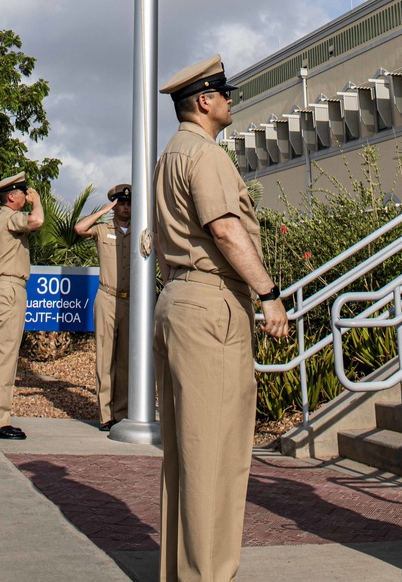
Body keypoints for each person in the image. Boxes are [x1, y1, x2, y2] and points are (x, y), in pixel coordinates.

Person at [153, 54, 288, 582]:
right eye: (225, 93)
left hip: (181, 300)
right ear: (205, 101)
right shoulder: (205, 155)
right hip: (212, 302)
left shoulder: (171, 154)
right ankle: (207, 574)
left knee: (188, 454)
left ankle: (184, 570)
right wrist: (268, 293)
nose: (232, 99)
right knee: (216, 454)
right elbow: (226, 229)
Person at [0, 171, 44, 440]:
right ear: (11, 197)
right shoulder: (8, 217)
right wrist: (37, 201)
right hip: (8, 288)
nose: (25, 195)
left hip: (2, 287)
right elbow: (37, 220)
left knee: (2, 356)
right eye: (22, 193)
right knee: (5, 357)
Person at [75, 182, 131, 430]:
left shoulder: (141, 230)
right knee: (105, 358)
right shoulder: (102, 229)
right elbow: (79, 228)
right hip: (107, 297)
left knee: (127, 360)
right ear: (115, 206)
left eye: (129, 203)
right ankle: (106, 414)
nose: (126, 208)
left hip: (132, 301)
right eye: (121, 203)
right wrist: (103, 210)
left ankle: (122, 412)